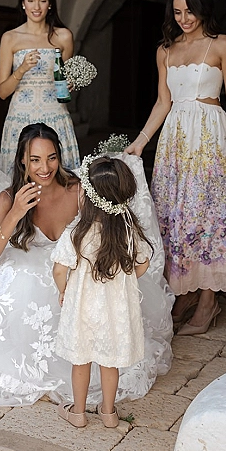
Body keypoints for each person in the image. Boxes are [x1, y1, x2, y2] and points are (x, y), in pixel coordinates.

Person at [0, 124, 173, 408]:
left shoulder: (77, 190)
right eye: (35, 159)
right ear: (23, 160)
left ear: (59, 156)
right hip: (29, 271)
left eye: (51, 157)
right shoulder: (7, 197)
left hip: (74, 269)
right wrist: (14, 213)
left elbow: (104, 233)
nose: (45, 167)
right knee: (24, 281)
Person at [126, 0, 226, 335]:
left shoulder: (222, 45)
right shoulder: (165, 51)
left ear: (204, 9)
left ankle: (207, 302)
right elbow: (162, 102)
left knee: (208, 218)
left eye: (191, 11)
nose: (185, 18)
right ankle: (184, 292)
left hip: (211, 136)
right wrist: (140, 141)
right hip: (175, 142)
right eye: (178, 12)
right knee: (177, 217)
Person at [53, 156, 150, 429]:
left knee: (81, 360)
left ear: (89, 197)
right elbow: (142, 263)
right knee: (110, 363)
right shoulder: (128, 231)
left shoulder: (77, 232)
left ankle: (79, 412)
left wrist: (65, 291)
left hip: (83, 307)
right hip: (115, 309)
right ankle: (109, 413)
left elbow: (59, 270)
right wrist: (126, 280)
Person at [0, 0, 80, 175]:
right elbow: (2, 92)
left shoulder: (64, 36)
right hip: (20, 117)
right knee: (21, 180)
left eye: (42, 0)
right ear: (23, 4)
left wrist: (72, 84)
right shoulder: (10, 38)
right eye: (31, 0)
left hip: (55, 115)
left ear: (50, 4)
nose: (37, 6)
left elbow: (65, 81)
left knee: (60, 178)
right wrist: (22, 69)